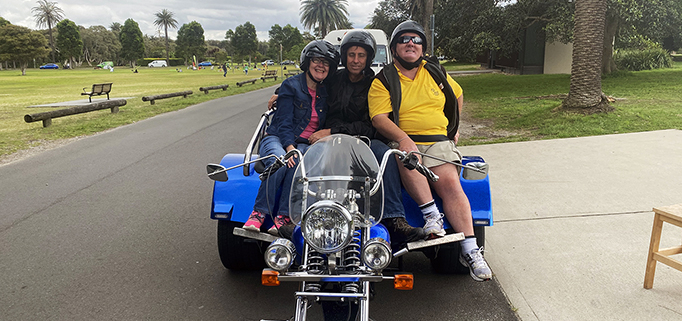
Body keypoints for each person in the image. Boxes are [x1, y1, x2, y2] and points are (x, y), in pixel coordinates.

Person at [267, 30, 425, 247]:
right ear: (344, 56)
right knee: (309, 161)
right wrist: (280, 93)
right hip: (324, 139)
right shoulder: (333, 79)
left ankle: (394, 217)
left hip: (363, 139)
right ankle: (301, 216)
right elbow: (305, 84)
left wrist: (333, 131)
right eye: (351, 55)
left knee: (386, 154)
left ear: (369, 58)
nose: (356, 60)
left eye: (361, 55)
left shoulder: (376, 82)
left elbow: (370, 123)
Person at [368, 20, 492, 281]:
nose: (410, 43)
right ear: (394, 48)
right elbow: (379, 117)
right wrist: (403, 139)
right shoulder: (384, 79)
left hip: (437, 139)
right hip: (405, 139)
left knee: (450, 183)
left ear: (422, 47)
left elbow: (457, 95)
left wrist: (454, 130)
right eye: (404, 39)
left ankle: (471, 251)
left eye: (416, 39)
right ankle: (431, 216)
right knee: (406, 157)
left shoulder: (436, 71)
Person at [242, 40, 338, 237]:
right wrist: (289, 147)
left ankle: (284, 217)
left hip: (305, 142)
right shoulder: (291, 85)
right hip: (278, 137)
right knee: (281, 161)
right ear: (307, 62)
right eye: (317, 60)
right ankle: (259, 212)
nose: (321, 66)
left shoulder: (326, 92)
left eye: (326, 63)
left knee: (300, 167)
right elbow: (284, 122)